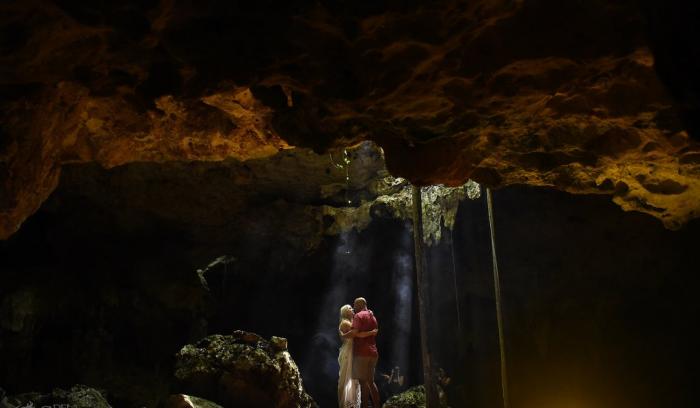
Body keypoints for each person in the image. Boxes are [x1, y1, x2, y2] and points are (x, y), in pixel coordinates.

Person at [338, 304, 378, 408]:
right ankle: (348, 403)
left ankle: (356, 403)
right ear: (346, 312)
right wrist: (371, 332)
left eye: (352, 307)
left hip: (354, 350)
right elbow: (357, 334)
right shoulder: (346, 323)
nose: (353, 309)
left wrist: (369, 313)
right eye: (350, 308)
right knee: (347, 377)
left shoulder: (354, 321)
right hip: (349, 351)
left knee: (357, 379)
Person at [347, 297, 381, 408]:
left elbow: (355, 333)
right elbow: (374, 333)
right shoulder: (373, 317)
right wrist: (369, 332)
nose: (354, 307)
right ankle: (377, 405)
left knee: (363, 382)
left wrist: (345, 334)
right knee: (371, 382)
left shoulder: (358, 316)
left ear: (360, 305)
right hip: (373, 353)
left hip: (362, 353)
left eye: (355, 305)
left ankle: (365, 406)